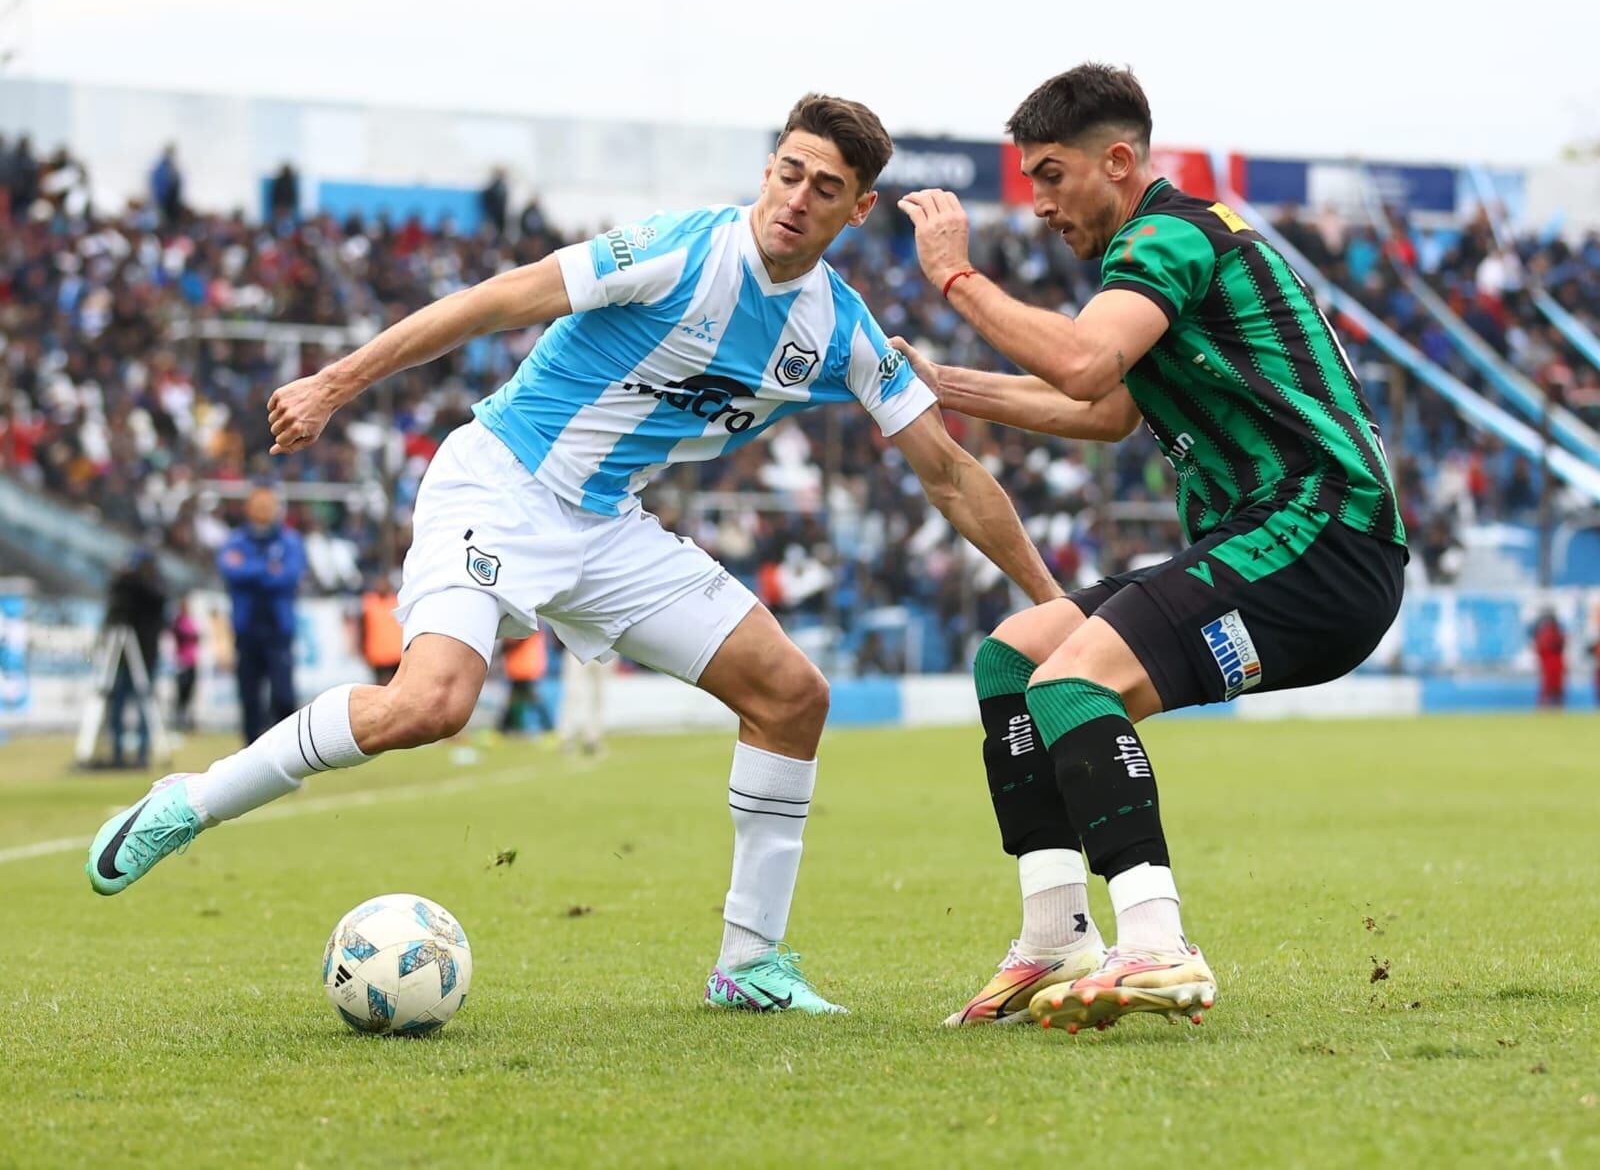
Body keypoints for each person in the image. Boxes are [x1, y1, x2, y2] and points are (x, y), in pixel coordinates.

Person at [86, 94, 1061, 1017]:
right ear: (767, 170)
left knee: (792, 695)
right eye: (788, 173)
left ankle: (748, 961)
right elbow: (493, 300)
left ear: (857, 211)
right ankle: (191, 801)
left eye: (824, 189)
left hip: (607, 527)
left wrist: (1053, 601)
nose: (797, 199)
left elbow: (949, 474)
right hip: (499, 484)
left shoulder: (840, 328)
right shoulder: (679, 251)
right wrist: (336, 383)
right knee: (428, 704)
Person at [895, 64, 1406, 1031]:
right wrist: (939, 385)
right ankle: (1054, 938)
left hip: (1319, 530)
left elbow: (1085, 364)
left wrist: (956, 277)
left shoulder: (1170, 232)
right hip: (1278, 539)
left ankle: (1158, 946)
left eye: (1050, 176)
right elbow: (1107, 409)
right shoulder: (1162, 259)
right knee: (1017, 655)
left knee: (1072, 684)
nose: (1040, 205)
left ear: (1118, 161)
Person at [215, 487, 306, 742]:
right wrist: (267, 569)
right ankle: (250, 760)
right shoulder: (236, 540)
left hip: (278, 630)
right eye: (258, 505)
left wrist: (249, 570)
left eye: (268, 505)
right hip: (246, 629)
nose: (264, 510)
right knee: (249, 697)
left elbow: (288, 576)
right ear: (248, 508)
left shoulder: (290, 540)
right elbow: (230, 571)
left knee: (283, 696)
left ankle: (288, 755)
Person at [101, 551, 168, 769]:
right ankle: (118, 753)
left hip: (145, 655)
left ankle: (142, 754)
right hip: (122, 655)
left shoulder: (153, 588)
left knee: (144, 705)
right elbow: (114, 611)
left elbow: (158, 599)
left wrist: (134, 580)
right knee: (118, 703)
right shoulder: (127, 589)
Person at [499, 628, 554, 736]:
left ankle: (548, 725)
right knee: (521, 697)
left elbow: (514, 641)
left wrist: (503, 646)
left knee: (525, 697)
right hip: (523, 667)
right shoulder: (535, 624)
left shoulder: (526, 625)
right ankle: (506, 726)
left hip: (523, 667)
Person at [558, 651, 612, 757]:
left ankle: (593, 738)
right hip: (577, 645)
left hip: (607, 648)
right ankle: (566, 737)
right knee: (573, 693)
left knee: (599, 695)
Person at [359, 575, 404, 686]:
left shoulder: (397, 602)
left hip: (396, 654)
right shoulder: (369, 604)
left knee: (396, 684)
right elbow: (363, 628)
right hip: (377, 654)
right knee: (381, 686)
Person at [171, 598, 200, 733]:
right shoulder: (178, 622)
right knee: (181, 694)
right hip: (182, 663)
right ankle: (179, 721)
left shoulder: (191, 621)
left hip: (192, 662)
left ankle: (187, 721)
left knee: (190, 694)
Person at [1531, 611, 1566, 707]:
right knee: (1548, 688)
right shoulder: (1545, 634)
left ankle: (1554, 706)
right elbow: (1540, 649)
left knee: (1556, 689)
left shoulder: (1556, 633)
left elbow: (1560, 645)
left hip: (1554, 664)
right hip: (1549, 664)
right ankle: (1546, 706)